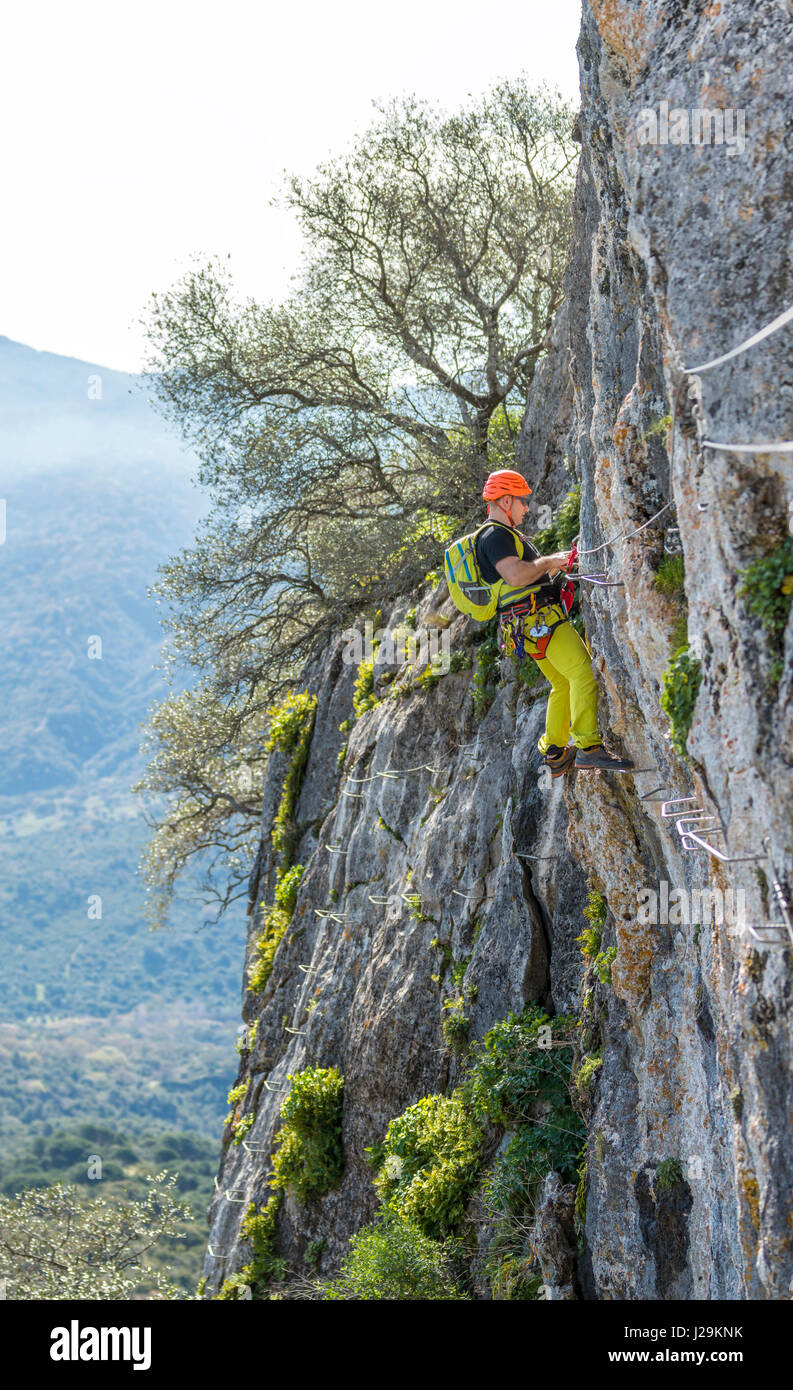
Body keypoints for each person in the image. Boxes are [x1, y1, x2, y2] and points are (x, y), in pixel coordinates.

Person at [475, 469, 634, 776]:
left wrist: (553, 566)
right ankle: (589, 748)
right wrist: (549, 561)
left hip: (526, 626)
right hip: (539, 620)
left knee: (561, 682)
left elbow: (519, 581)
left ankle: (556, 751)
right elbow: (516, 575)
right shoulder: (496, 536)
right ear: (506, 500)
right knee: (583, 673)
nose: (526, 508)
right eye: (522, 502)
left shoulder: (501, 537)